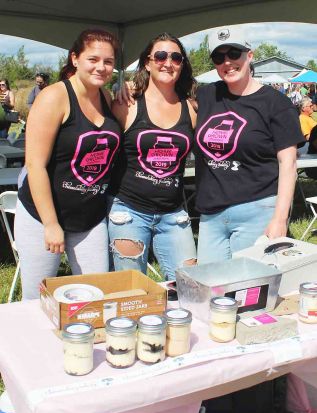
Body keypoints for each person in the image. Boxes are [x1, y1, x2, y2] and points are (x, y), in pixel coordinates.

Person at [15, 28, 121, 300]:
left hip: (90, 218)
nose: (101, 67)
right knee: (37, 300)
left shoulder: (106, 98)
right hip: (42, 216)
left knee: (96, 296)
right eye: (93, 59)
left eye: (108, 62)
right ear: (75, 58)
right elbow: (35, 165)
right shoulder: (54, 97)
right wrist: (51, 224)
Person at [194, 26, 304, 265]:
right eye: (219, 57)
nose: (227, 62)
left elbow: (289, 164)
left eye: (234, 53)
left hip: (257, 209)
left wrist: (280, 218)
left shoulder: (277, 103)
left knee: (251, 292)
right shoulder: (206, 95)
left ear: (250, 55)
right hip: (211, 212)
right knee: (212, 288)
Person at [108, 32, 197, 280]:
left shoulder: (190, 107)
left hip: (174, 213)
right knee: (132, 290)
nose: (167, 62)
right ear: (147, 62)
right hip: (129, 211)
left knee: (189, 285)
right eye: (160, 55)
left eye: (176, 57)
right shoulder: (127, 103)